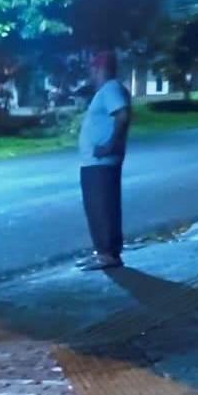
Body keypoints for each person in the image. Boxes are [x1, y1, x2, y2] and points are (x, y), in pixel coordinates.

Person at [78, 51, 132, 270]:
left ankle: (108, 254)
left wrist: (111, 144)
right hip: (96, 162)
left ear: (99, 69)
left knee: (102, 207)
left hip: (101, 162)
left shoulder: (111, 88)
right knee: (98, 207)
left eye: (92, 69)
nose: (91, 73)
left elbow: (123, 115)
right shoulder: (108, 90)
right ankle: (103, 252)